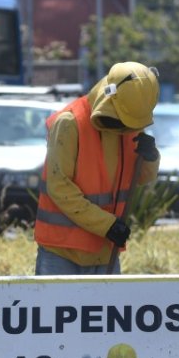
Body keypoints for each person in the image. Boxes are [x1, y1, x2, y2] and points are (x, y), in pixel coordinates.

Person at [34, 61, 161, 275]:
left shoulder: (126, 121)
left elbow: (140, 178)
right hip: (62, 252)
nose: (125, 129)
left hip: (104, 252)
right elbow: (60, 186)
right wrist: (107, 225)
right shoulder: (69, 123)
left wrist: (150, 158)